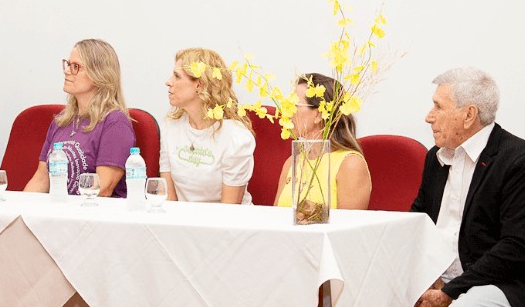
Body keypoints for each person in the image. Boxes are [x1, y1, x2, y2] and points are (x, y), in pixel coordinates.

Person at [387, 67, 525, 307]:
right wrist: (424, 273)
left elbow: (516, 247)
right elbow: (417, 221)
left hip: (502, 281)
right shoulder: (437, 158)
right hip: (445, 278)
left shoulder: (517, 160)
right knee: (357, 302)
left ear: (468, 115)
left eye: (437, 106)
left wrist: (450, 292)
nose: (427, 116)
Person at [23, 38, 135, 197]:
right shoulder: (61, 121)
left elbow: (102, 189)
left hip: (93, 217)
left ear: (99, 75)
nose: (67, 71)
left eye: (76, 67)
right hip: (59, 214)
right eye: (68, 64)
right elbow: (41, 180)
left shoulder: (115, 123)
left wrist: (62, 215)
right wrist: (21, 209)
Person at [159, 48, 255, 204]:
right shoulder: (170, 127)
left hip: (225, 224)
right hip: (181, 223)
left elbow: (229, 211)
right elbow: (169, 200)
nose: (168, 81)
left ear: (200, 85)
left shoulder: (237, 137)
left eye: (177, 76)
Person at [273, 73, 372, 210]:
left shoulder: (350, 165)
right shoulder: (292, 162)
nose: (286, 111)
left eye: (293, 105)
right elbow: (275, 218)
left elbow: (350, 228)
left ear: (319, 114)